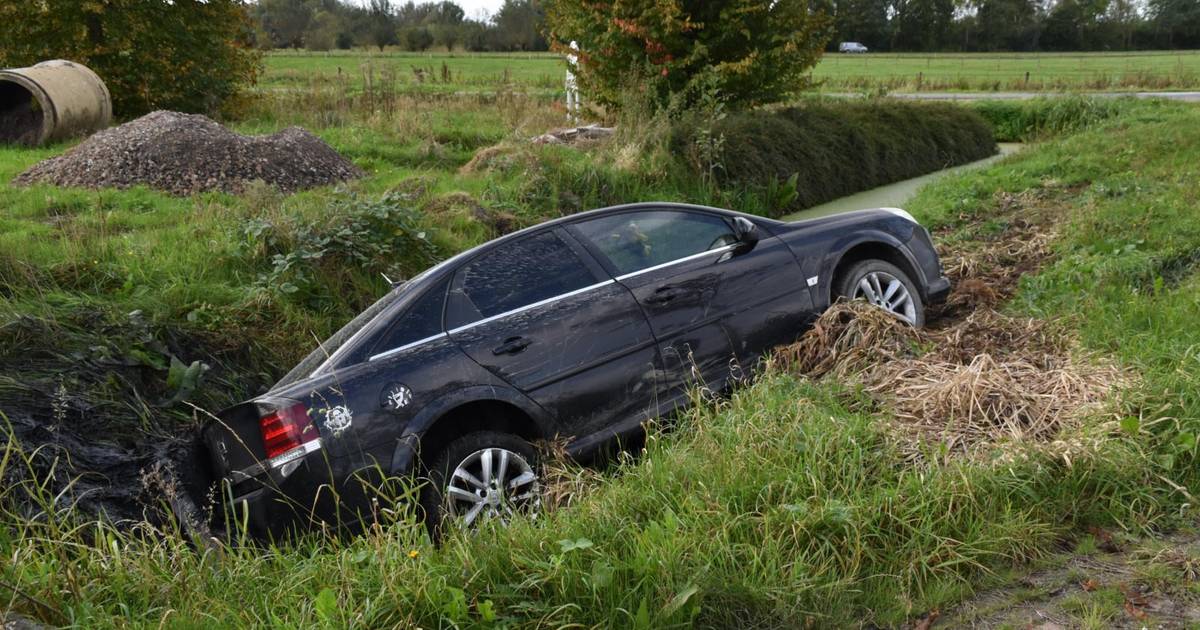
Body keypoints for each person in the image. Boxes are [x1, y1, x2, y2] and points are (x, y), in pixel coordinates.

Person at [565, 40, 580, 123]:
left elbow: (578, 70)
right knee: (569, 101)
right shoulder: (568, 57)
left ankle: (577, 119)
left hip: (576, 80)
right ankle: (569, 119)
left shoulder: (578, 58)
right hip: (569, 80)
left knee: (577, 100)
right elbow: (567, 70)